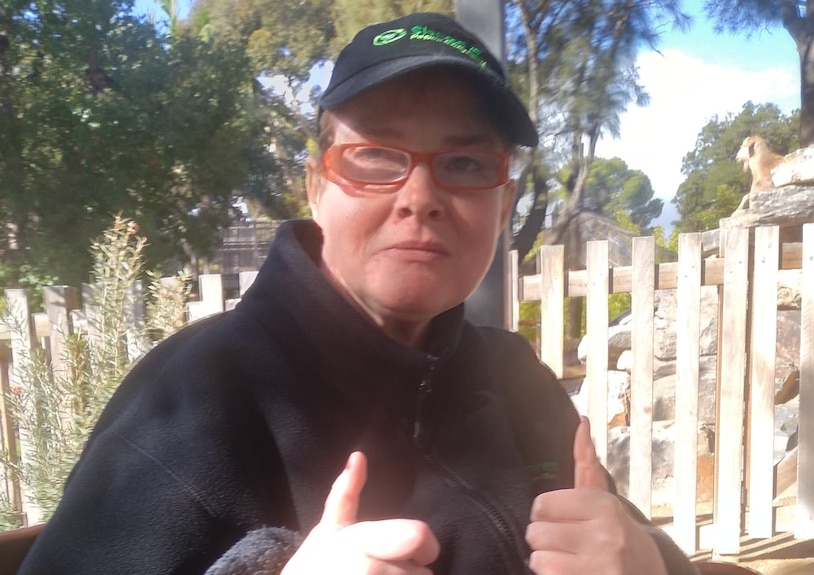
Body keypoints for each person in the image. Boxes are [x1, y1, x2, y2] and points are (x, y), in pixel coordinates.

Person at [19, 12, 696, 575]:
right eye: (376, 155)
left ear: (504, 200)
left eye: (464, 163)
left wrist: (654, 560)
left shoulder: (515, 376)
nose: (422, 197)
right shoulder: (196, 395)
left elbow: (618, 539)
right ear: (317, 186)